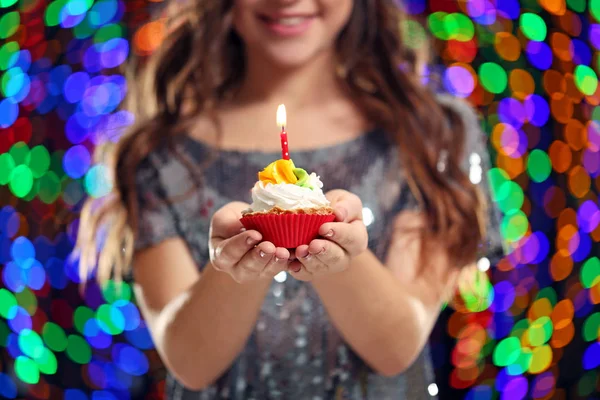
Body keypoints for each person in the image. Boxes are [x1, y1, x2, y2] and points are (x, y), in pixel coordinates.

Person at [76, 0, 505, 399]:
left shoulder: (432, 136)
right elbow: (190, 362)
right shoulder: (158, 154)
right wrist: (234, 268)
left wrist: (340, 257)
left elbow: (396, 349)